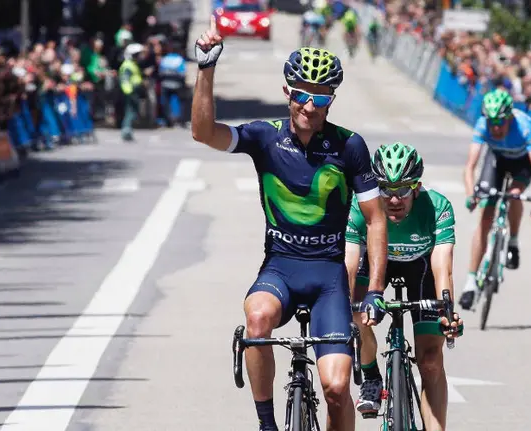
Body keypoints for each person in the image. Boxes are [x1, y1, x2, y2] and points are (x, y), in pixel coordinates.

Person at [191, 17, 388, 431]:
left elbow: (375, 219)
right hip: (280, 268)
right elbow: (204, 132)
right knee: (256, 319)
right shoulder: (266, 136)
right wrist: (206, 67)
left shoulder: (349, 145)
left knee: (336, 389)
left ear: (332, 100)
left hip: (329, 279)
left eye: (320, 97)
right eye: (301, 94)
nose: (309, 105)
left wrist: (373, 291)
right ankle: (267, 425)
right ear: (287, 92)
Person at [345, 142, 463, 430]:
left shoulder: (437, 207)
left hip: (419, 269)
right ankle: (372, 376)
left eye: (403, 190)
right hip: (375, 264)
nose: (394, 199)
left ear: (417, 187)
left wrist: (447, 308)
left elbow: (442, 266)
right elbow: (349, 262)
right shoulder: (360, 207)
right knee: (353, 313)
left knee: (431, 359)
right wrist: (341, 306)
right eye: (385, 189)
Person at [459, 89, 531, 310]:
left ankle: (513, 242)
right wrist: (471, 194)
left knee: (515, 194)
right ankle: (470, 283)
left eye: (500, 122)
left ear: (509, 118)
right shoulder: (482, 125)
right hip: (497, 161)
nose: (495, 127)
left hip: (521, 164)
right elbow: (469, 167)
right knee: (485, 217)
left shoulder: (524, 128)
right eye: (492, 122)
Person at [118, 43, 145, 142]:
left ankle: (128, 131)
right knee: (130, 112)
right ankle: (126, 131)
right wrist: (129, 92)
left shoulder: (132, 64)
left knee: (132, 112)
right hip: (131, 92)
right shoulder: (127, 65)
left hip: (134, 91)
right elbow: (125, 80)